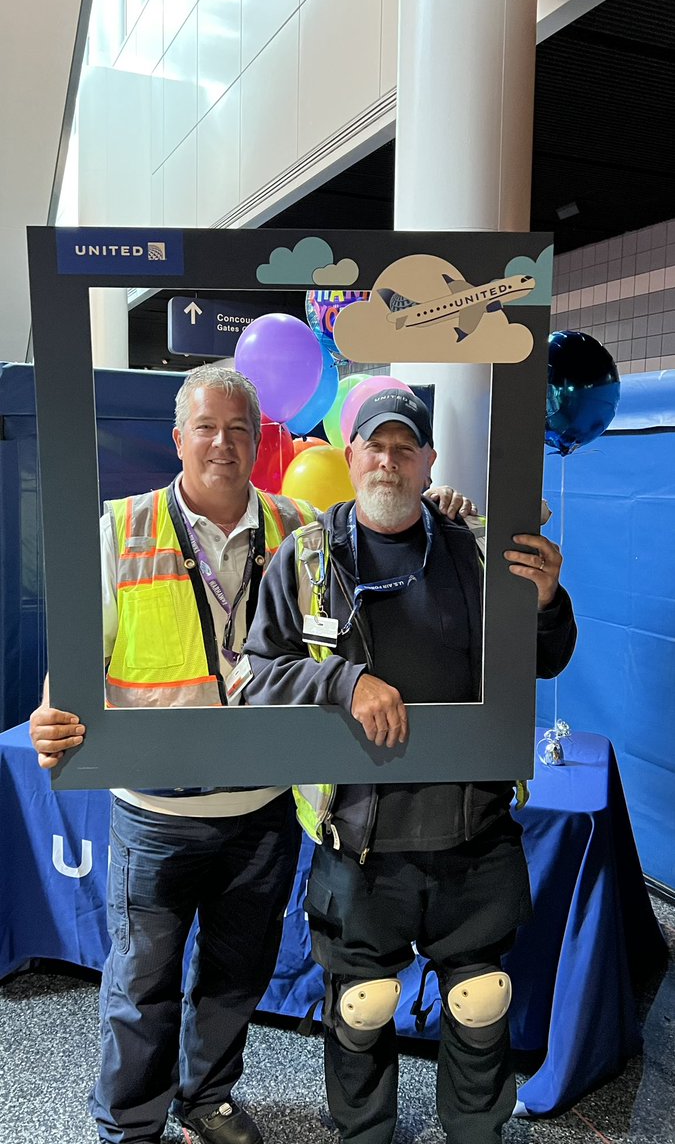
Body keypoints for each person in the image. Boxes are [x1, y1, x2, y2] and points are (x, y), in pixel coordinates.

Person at [29, 365, 472, 1144]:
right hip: (157, 805)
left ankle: (207, 1097)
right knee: (142, 981)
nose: (222, 444)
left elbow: (381, 517)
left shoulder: (300, 527)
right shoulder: (120, 529)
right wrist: (51, 713)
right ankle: (130, 1122)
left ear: (260, 440)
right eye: (205, 427)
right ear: (177, 439)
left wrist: (440, 509)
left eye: (239, 429)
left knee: (238, 971)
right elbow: (72, 658)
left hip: (264, 803)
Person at [242, 388, 577, 1144]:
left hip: (472, 828)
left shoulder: (479, 549)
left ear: (428, 462)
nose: (387, 461)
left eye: (404, 448)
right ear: (348, 455)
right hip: (358, 836)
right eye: (373, 446)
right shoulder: (306, 559)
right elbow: (257, 677)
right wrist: (343, 679)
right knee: (360, 1006)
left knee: (480, 1000)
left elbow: (546, 658)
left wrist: (548, 601)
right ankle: (364, 1134)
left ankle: (474, 1132)